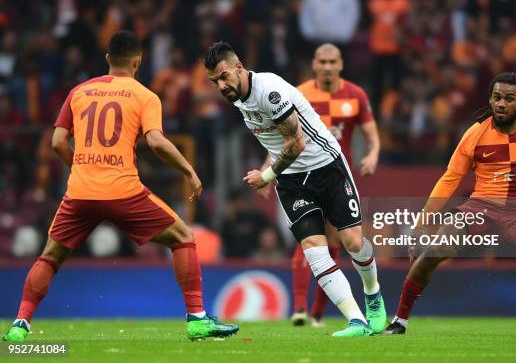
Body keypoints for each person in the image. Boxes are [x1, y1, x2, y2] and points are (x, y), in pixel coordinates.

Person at [2, 31, 238, 342]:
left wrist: (79, 166)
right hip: (123, 190)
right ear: (138, 61)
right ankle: (197, 318)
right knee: (183, 237)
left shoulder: (78, 91)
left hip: (80, 192)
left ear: (108, 59)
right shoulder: (144, 95)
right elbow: (155, 140)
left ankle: (20, 323)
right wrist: (188, 170)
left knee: (49, 256)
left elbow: (58, 141)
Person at [383, 72, 516, 335]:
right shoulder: (475, 134)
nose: (501, 103)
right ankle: (400, 320)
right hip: (479, 209)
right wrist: (420, 225)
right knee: (435, 249)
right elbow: (450, 179)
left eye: (509, 98)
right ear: (490, 99)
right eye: (497, 97)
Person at [204, 41, 386, 337]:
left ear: (239, 67)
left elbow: (297, 142)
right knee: (315, 250)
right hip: (291, 181)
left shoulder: (269, 90)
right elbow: (274, 141)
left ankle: (373, 294)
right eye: (215, 81)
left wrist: (266, 175)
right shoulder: (237, 98)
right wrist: (273, 172)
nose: (221, 85)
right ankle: (357, 320)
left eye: (224, 76)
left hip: (327, 166)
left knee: (353, 242)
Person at [287, 43, 380, 327]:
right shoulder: (299, 93)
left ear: (340, 64)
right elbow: (284, 134)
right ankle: (301, 308)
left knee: (339, 242)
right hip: (303, 176)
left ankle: (317, 311)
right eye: (322, 61)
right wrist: (269, 168)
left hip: (338, 176)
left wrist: (373, 154)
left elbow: (372, 134)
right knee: (310, 240)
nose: (327, 67)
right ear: (314, 64)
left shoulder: (356, 95)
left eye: (332, 61)